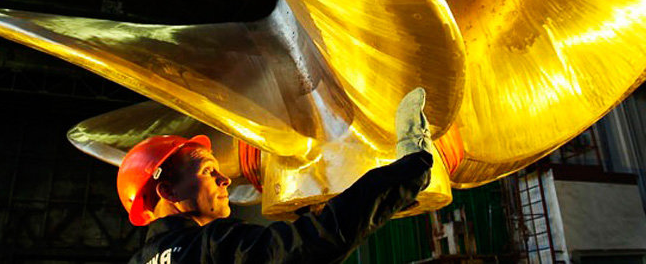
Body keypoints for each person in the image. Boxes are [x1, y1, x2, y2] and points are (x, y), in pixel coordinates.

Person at [119, 88, 435, 263]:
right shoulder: (210, 248)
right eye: (207, 170)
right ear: (169, 192)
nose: (225, 180)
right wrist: (411, 167)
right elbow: (315, 241)